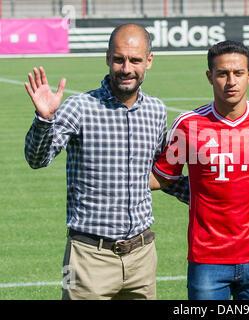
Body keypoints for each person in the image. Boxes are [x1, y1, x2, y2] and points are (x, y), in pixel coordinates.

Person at [24, 24, 167, 300]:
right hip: (87, 257)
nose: (126, 68)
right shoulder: (80, 107)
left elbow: (159, 174)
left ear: (149, 60)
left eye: (135, 60)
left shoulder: (156, 111)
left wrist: (214, 190)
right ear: (107, 58)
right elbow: (36, 159)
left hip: (142, 256)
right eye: (119, 59)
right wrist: (44, 120)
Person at [150, 40, 249, 300]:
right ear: (209, 76)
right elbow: (162, 177)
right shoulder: (188, 125)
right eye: (222, 74)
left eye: (238, 73)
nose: (231, 81)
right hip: (207, 259)